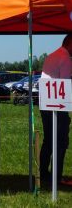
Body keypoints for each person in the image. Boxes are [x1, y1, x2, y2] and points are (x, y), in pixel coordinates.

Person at [40, 34, 72, 186]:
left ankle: (44, 174)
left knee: (48, 141)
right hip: (58, 105)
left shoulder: (51, 56)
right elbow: (65, 86)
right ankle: (56, 177)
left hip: (46, 104)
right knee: (61, 142)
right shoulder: (65, 59)